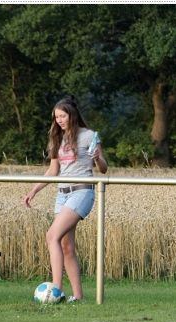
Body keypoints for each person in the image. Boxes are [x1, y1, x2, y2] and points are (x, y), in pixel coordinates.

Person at [22, 96, 108, 303]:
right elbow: (53, 170)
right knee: (66, 246)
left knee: (52, 236)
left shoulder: (89, 136)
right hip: (62, 194)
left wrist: (97, 157)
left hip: (82, 192)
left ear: (72, 115)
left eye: (62, 116)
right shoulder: (57, 138)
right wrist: (35, 190)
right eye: (56, 117)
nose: (59, 120)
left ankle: (55, 291)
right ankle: (78, 296)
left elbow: (103, 169)